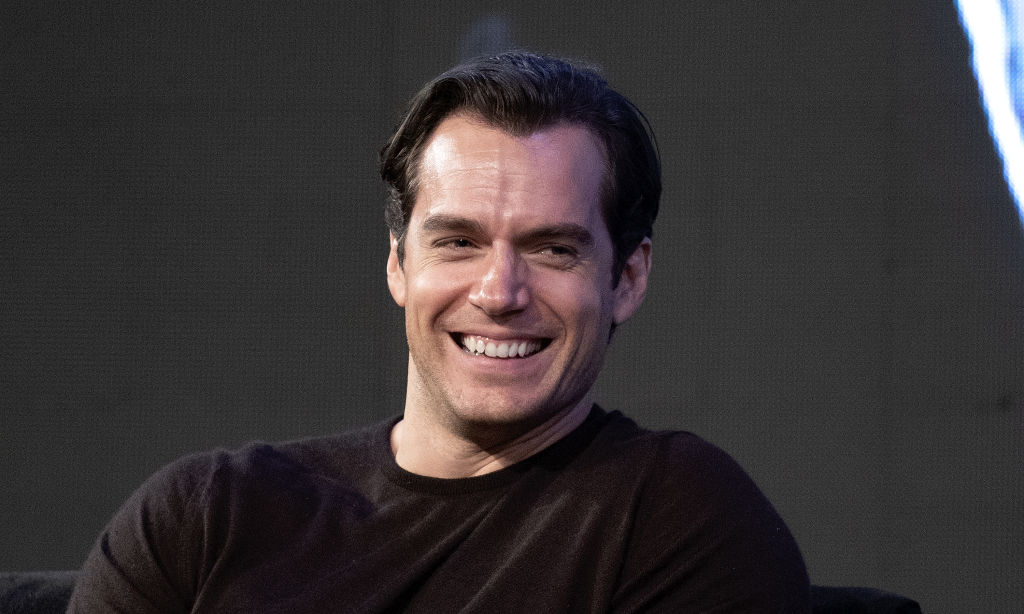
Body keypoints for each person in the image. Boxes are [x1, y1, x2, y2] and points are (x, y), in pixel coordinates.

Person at [68, 51, 810, 613]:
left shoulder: (682, 519)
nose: (499, 293)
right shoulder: (205, 518)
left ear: (628, 278)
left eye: (553, 249)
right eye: (458, 242)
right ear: (398, 263)